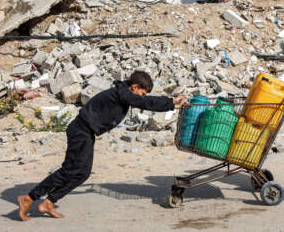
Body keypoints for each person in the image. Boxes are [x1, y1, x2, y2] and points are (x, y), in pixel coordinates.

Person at [17, 70, 188, 220]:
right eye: (142, 93)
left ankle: (49, 201)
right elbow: (144, 103)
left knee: (82, 174)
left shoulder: (123, 94)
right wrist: (171, 102)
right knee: (69, 171)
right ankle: (30, 197)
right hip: (80, 131)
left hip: (86, 133)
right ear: (134, 87)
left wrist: (172, 104)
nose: (141, 97)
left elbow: (143, 101)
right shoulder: (122, 94)